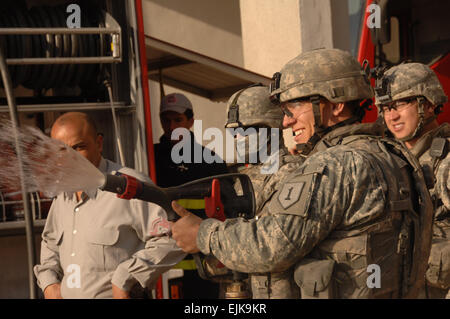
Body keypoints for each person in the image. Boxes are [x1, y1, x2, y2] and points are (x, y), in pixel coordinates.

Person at [171, 48, 434, 299]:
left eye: (294, 107)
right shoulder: (396, 156)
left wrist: (204, 234)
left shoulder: (334, 165)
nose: (286, 121)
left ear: (336, 104)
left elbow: (271, 246)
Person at [33, 112, 185, 299]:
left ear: (99, 143)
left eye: (78, 147)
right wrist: (50, 284)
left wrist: (125, 277)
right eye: (61, 151)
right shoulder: (63, 193)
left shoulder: (132, 186)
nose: (69, 159)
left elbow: (174, 239)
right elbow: (50, 243)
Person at [375, 62, 449, 299]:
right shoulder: (387, 160)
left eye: (401, 104)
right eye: (386, 108)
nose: (392, 115)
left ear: (428, 105)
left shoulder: (446, 162)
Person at [223, 84, 304, 298]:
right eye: (233, 132)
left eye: (244, 131)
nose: (237, 138)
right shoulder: (237, 178)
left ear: (271, 128)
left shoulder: (294, 172)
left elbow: (280, 243)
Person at [154, 93, 229, 298]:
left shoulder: (211, 161)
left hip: (202, 262)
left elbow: (226, 211)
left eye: (177, 120)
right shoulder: (150, 158)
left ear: (190, 121)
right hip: (160, 259)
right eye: (166, 120)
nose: (171, 127)